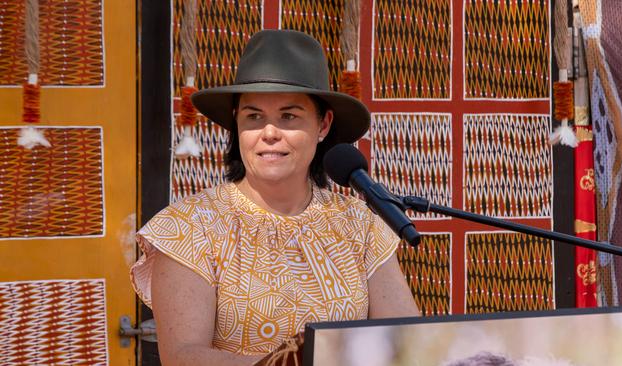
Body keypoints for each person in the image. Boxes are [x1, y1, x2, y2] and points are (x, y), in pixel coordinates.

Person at [131, 29, 419, 366]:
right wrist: (292, 362)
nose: (269, 133)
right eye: (254, 117)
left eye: (289, 116)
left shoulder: (359, 223)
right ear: (237, 125)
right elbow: (183, 357)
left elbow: (406, 339)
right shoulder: (190, 227)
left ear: (323, 124)